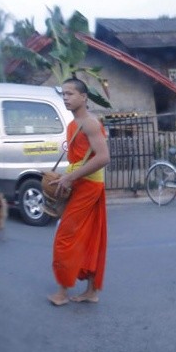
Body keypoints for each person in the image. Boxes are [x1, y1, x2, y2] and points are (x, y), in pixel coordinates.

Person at [47, 77, 111, 306]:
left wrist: (70, 177)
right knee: (90, 237)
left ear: (84, 97)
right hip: (81, 183)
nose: (65, 98)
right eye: (63, 94)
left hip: (89, 186)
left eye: (70, 94)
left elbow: (104, 158)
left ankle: (62, 293)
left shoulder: (90, 123)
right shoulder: (73, 125)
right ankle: (91, 291)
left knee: (65, 236)